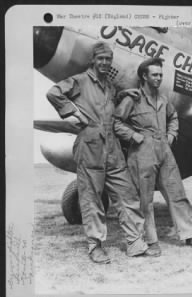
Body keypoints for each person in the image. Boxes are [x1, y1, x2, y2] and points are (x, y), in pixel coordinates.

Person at [46, 41, 157, 264]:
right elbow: (54, 92)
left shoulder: (109, 86)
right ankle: (95, 246)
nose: (105, 63)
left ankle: (135, 243)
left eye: (108, 59)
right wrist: (72, 113)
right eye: (101, 59)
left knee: (127, 194)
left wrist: (125, 94)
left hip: (113, 146)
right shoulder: (80, 81)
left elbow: (111, 109)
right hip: (90, 145)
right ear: (93, 60)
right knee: (91, 198)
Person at [113, 57, 192, 256]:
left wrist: (171, 135)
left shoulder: (163, 99)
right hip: (142, 151)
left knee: (176, 192)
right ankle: (151, 240)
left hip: (164, 149)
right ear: (144, 76)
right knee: (145, 200)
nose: (159, 78)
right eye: (155, 75)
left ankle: (189, 234)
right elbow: (116, 122)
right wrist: (134, 136)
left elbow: (173, 117)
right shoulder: (132, 99)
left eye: (161, 75)